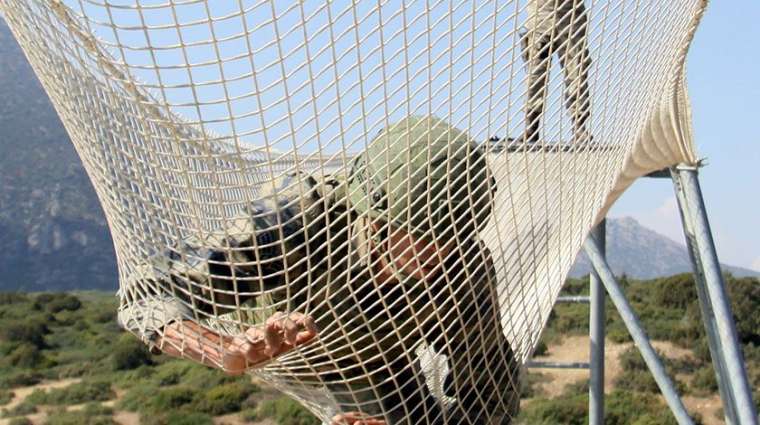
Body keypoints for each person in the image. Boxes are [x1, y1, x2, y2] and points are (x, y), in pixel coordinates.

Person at [118, 116, 521, 424]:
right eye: (425, 233)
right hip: (281, 354)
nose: (444, 248)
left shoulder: (462, 267)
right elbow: (145, 292)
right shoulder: (299, 213)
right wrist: (222, 349)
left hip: (374, 366)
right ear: (376, 219)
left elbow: (490, 388)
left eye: (457, 233)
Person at [520, 0, 592, 143]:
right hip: (541, 13)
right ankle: (531, 127)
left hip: (571, 13)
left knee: (576, 71)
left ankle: (579, 126)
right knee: (535, 72)